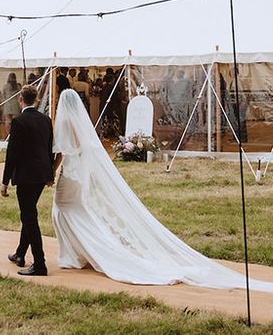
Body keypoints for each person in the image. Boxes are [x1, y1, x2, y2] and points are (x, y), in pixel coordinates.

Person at [51, 89, 273, 292]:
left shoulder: (66, 123)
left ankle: (78, 254)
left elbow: (63, 151)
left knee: (64, 210)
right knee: (76, 212)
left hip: (70, 176)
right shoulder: (82, 123)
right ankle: (80, 252)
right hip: (80, 176)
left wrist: (53, 170)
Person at [0, 84, 54, 276]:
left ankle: (40, 264)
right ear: (37, 99)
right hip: (41, 175)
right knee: (29, 214)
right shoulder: (46, 120)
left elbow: (12, 154)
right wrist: (50, 175)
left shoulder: (19, 122)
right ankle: (20, 254)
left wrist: (5, 181)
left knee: (29, 217)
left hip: (25, 176)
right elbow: (49, 149)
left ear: (20, 100)